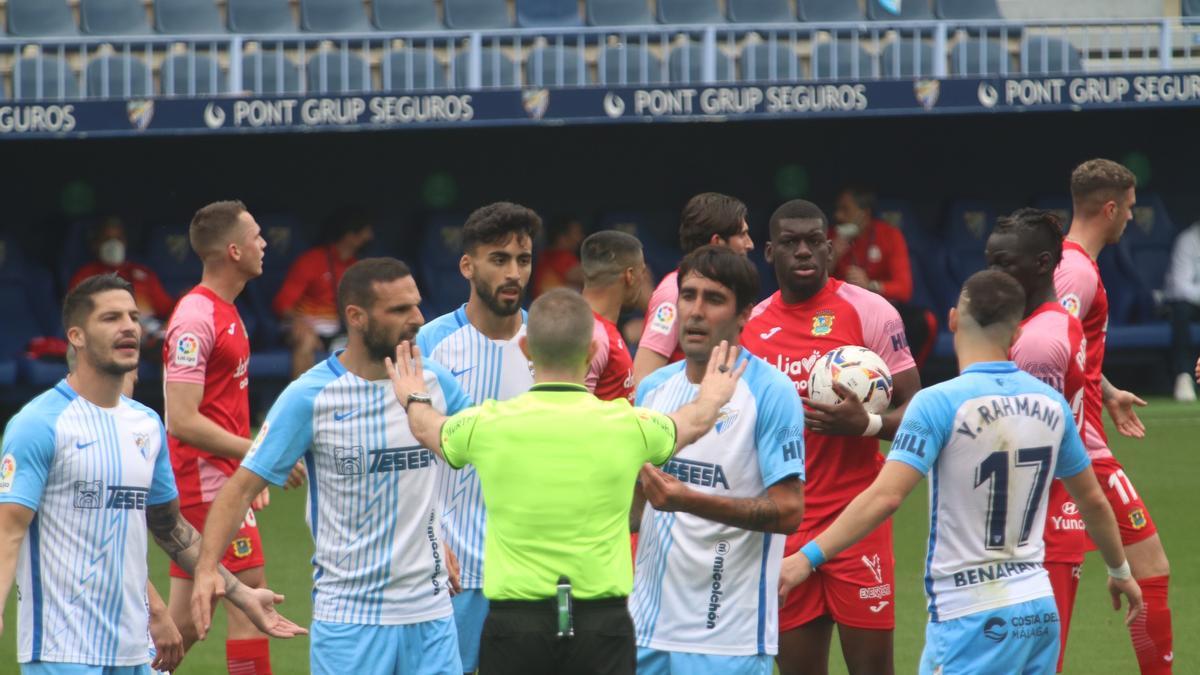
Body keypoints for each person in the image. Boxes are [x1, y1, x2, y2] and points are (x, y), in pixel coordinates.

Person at [778, 269, 1144, 675]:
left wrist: (805, 558)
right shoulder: (1051, 403)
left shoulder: (938, 403)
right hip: (1039, 610)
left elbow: (885, 496)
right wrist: (1120, 571)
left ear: (953, 319)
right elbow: (1092, 499)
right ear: (1017, 334)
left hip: (971, 617)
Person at [385, 289, 746, 675]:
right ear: (592, 351)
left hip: (516, 624)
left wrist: (413, 396)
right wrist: (711, 397)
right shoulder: (627, 425)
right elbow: (692, 422)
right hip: (601, 624)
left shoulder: (488, 424)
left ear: (526, 350)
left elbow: (427, 429)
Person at [0, 275, 304, 674]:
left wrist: (241, 594)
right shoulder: (38, 424)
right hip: (62, 652)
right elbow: (9, 532)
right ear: (76, 335)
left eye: (133, 316)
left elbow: (172, 530)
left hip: (133, 653)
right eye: (111, 317)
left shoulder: (146, 425)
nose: (128, 326)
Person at [190, 258, 469, 674]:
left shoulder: (437, 383)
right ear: (356, 317)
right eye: (399, 310)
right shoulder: (311, 397)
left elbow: (478, 456)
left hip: (431, 615)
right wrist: (207, 568)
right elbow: (241, 488)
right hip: (350, 621)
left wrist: (440, 530)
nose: (417, 319)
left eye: (416, 305)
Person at [739, 199, 919, 675]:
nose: (804, 252)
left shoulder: (871, 311)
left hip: (858, 523)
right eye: (791, 243)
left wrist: (866, 426)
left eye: (814, 241)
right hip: (786, 528)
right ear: (770, 251)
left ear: (830, 247)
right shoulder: (752, 329)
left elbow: (918, 417)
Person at [631, 246, 806, 674]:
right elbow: (635, 506)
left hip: (728, 640)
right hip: (644, 629)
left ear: (744, 313)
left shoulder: (771, 392)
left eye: (713, 299)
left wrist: (688, 500)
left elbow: (789, 511)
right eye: (687, 295)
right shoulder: (652, 388)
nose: (694, 311)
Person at [162, 200, 304, 675]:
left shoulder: (226, 311)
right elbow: (181, 419)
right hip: (202, 484)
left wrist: (248, 475)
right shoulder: (195, 318)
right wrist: (260, 456)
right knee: (249, 608)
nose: (266, 243)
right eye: (257, 236)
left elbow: (220, 410)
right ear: (234, 250)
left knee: (181, 627)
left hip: (218, 480)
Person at [1055, 159, 1174, 674]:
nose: (1130, 216)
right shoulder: (1077, 270)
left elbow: (1060, 345)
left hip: (1075, 437)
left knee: (1143, 571)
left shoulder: (1068, 262)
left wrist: (1104, 389)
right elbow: (1046, 349)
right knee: (1148, 572)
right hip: (1078, 448)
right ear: (1109, 208)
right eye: (1127, 207)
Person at [415, 201, 540, 675]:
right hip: (454, 566)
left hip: (533, 565)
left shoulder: (550, 343)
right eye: (499, 259)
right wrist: (428, 536)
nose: (513, 273)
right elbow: (408, 452)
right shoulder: (430, 345)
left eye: (523, 260)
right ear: (468, 265)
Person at [985, 208, 1088, 672]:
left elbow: (1027, 449)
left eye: (1004, 264)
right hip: (1039, 530)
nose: (993, 275)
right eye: (989, 262)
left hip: (1037, 534)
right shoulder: (1049, 324)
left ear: (1043, 264)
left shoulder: (1037, 343)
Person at [633, 193, 755, 386]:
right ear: (717, 242)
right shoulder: (673, 292)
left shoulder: (731, 291)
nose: (750, 244)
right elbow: (643, 378)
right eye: (742, 235)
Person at [831, 186, 935, 366]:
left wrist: (870, 285)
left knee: (927, 322)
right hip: (842, 309)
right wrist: (833, 257)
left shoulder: (889, 235)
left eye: (845, 209)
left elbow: (904, 289)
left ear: (864, 214)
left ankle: (911, 377)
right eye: (838, 209)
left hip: (882, 309)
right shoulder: (831, 238)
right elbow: (814, 285)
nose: (838, 216)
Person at [272, 207, 375, 380]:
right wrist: (298, 321)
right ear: (350, 235)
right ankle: (301, 403)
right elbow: (282, 303)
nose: (370, 237)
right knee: (306, 340)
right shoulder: (312, 260)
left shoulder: (357, 266)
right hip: (302, 327)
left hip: (336, 331)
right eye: (365, 231)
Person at [69, 216, 176, 353]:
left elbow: (166, 307)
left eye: (118, 239)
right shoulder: (85, 276)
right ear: (95, 244)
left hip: (151, 329)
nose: (114, 244)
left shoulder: (143, 274)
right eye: (107, 239)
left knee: (175, 340)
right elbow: (78, 314)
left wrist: (170, 322)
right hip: (111, 331)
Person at [581, 230, 648, 403]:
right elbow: (573, 416)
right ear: (630, 276)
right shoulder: (588, 334)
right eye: (643, 274)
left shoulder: (596, 328)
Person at [1163, 220, 1200, 401]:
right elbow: (1180, 287)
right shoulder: (1187, 241)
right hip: (1186, 303)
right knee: (1181, 310)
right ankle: (1184, 376)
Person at [531, 215, 585, 297]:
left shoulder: (543, 256)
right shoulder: (561, 258)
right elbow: (592, 278)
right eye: (576, 233)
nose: (580, 237)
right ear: (562, 237)